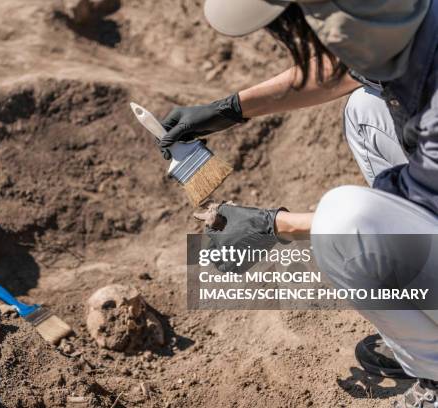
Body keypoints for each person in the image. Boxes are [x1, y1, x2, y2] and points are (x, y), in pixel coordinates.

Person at [161, 1, 438, 406]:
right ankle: (424, 319)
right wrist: (229, 109)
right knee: (365, 112)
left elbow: (398, 216)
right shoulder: (408, 15)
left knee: (344, 223)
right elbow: (345, 67)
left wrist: (273, 226)